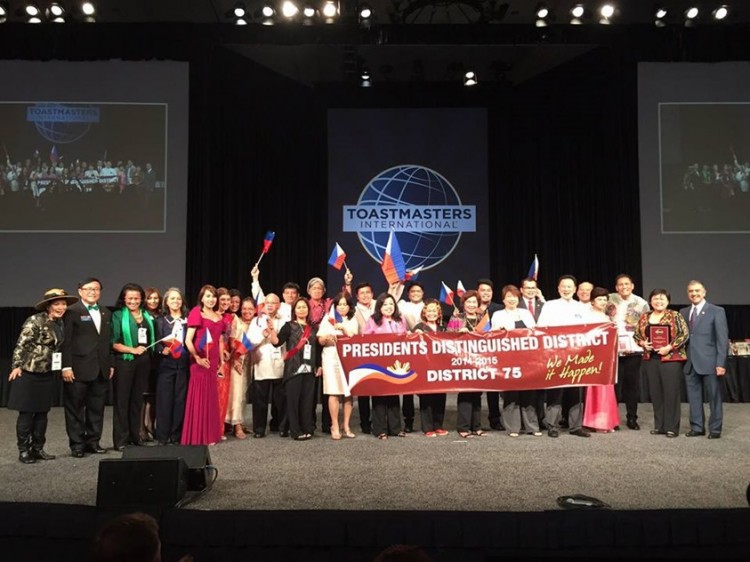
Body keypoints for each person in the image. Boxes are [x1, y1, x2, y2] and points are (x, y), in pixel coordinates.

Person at [9, 288, 78, 463]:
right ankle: (24, 450)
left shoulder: (61, 323)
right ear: (48, 306)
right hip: (29, 372)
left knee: (42, 414)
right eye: (57, 304)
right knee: (27, 413)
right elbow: (22, 344)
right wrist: (17, 366)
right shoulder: (35, 320)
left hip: (47, 373)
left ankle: (38, 448)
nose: (61, 307)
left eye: (63, 304)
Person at [62, 277, 113, 457]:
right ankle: (77, 445)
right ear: (80, 291)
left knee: (96, 408)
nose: (93, 292)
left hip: (101, 369)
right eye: (89, 288)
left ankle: (93, 442)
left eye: (97, 289)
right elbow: (66, 341)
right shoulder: (71, 311)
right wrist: (65, 366)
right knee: (75, 408)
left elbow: (107, 342)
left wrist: (110, 364)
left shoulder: (106, 312)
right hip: (77, 368)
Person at [537, 275, 590, 437]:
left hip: (577, 354)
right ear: (558, 289)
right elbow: (541, 327)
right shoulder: (550, 306)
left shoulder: (583, 307)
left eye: (569, 287)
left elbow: (590, 328)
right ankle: (552, 425)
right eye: (563, 286)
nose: (566, 289)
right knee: (556, 391)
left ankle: (575, 426)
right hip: (556, 354)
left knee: (575, 392)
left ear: (575, 290)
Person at [633, 289, 689, 438]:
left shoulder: (674, 315)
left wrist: (669, 347)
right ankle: (660, 426)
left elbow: (684, 334)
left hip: (671, 359)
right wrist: (643, 343)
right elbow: (636, 334)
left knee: (671, 393)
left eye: (662, 299)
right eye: (655, 299)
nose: (658, 301)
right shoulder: (645, 317)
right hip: (650, 359)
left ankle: (672, 427)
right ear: (650, 301)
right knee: (656, 393)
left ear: (668, 301)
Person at [490, 285, 542, 437]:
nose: (511, 299)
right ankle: (513, 428)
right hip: (508, 360)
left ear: (518, 298)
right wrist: (499, 329)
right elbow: (492, 334)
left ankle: (532, 426)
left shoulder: (526, 313)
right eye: (508, 297)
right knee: (511, 394)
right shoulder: (498, 314)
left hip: (527, 360)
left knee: (529, 393)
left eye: (514, 296)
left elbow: (535, 332)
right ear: (503, 299)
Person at [680, 280, 729, 439]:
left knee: (714, 397)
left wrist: (721, 363)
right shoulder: (683, 312)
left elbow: (722, 339)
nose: (694, 294)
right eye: (691, 291)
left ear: (704, 292)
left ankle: (715, 429)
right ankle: (697, 427)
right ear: (688, 294)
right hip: (690, 362)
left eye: (697, 290)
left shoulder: (716, 311)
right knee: (693, 397)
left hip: (710, 362)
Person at [111, 283, 156, 450]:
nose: (133, 301)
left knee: (137, 401)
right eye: (130, 298)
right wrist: (132, 349)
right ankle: (121, 441)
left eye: (136, 298)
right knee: (122, 401)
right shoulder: (117, 316)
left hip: (143, 363)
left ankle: (134, 436)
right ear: (124, 298)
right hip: (125, 362)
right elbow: (114, 343)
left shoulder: (146, 316)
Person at [182, 285, 226, 446]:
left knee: (210, 397)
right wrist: (197, 358)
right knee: (199, 396)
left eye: (213, 296)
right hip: (199, 361)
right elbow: (188, 340)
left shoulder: (220, 317)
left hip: (213, 361)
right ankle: (197, 436)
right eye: (207, 296)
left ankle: (210, 435)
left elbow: (220, 341)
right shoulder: (196, 312)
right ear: (201, 298)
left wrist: (221, 363)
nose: (211, 299)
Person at [274, 297, 321, 440]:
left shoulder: (313, 328)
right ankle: (295, 431)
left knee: (307, 402)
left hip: (309, 368)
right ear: (294, 310)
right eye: (299, 307)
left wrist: (319, 365)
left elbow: (317, 349)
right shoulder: (288, 326)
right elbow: (277, 342)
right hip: (294, 368)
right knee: (293, 402)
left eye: (304, 307)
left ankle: (307, 428)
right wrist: (270, 333)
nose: (302, 310)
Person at [608, 274, 650, 430]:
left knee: (631, 386)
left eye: (627, 284)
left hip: (634, 348)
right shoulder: (609, 300)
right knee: (614, 386)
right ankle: (613, 418)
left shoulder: (641, 303)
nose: (624, 287)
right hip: (613, 350)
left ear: (632, 285)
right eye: (620, 284)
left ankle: (632, 418)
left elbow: (646, 326)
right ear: (616, 287)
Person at [365, 292, 408, 440]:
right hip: (378, 364)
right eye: (385, 304)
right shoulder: (373, 320)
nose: (388, 307)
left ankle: (395, 429)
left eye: (391, 304)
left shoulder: (400, 319)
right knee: (379, 397)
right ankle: (380, 429)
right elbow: (365, 341)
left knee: (394, 395)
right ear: (379, 307)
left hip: (396, 364)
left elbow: (405, 338)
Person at [318, 292, 359, 440]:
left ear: (349, 306)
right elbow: (320, 340)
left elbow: (356, 339)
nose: (342, 307)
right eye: (339, 304)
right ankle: (334, 425)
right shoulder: (328, 319)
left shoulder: (353, 319)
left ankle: (346, 425)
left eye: (345, 304)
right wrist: (327, 337)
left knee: (348, 393)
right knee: (333, 392)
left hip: (349, 359)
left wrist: (343, 328)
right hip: (331, 358)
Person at [447, 290, 488, 438]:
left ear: (478, 304)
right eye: (468, 302)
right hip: (462, 361)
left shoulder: (482, 318)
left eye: (474, 302)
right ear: (463, 304)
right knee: (465, 393)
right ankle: (463, 427)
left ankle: (476, 426)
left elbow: (490, 337)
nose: (471, 305)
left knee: (477, 394)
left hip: (480, 361)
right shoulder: (457, 317)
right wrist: (458, 332)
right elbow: (446, 337)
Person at [582, 287, 621, 433]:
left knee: (607, 388)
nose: (603, 302)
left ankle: (608, 422)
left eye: (605, 299)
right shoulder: (587, 317)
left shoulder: (607, 317)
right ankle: (596, 423)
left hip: (606, 358)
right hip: (592, 357)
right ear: (592, 301)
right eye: (599, 299)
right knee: (595, 389)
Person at [154, 288, 189, 446]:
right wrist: (162, 350)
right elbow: (155, 343)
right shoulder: (160, 321)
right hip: (165, 365)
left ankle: (176, 435)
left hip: (183, 364)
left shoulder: (188, 321)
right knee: (164, 400)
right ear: (166, 302)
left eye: (178, 299)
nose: (176, 301)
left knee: (180, 400)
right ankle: (162, 435)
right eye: (172, 299)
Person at [248, 293, 286, 437]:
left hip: (280, 362)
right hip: (262, 363)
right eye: (267, 302)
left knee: (280, 399)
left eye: (273, 302)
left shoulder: (284, 320)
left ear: (279, 305)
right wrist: (262, 335)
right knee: (260, 400)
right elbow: (249, 342)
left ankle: (278, 425)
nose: (270, 305)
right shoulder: (256, 321)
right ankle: (259, 429)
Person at [413, 299, 448, 437]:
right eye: (429, 311)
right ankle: (427, 428)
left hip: (441, 368)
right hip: (425, 368)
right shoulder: (419, 327)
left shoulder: (444, 328)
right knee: (426, 398)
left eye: (435, 311)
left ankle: (438, 425)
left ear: (439, 313)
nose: (432, 313)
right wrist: (415, 334)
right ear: (424, 313)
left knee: (440, 396)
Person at [226, 297, 257, 439]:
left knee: (244, 394)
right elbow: (232, 342)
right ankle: (236, 425)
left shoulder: (257, 324)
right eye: (244, 309)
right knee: (237, 393)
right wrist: (236, 359)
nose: (247, 311)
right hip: (237, 361)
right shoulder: (236, 321)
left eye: (250, 309)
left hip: (251, 362)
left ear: (255, 310)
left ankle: (240, 421)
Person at [476, 278, 503, 431]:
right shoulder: (470, 307)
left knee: (493, 390)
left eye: (488, 290)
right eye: (482, 290)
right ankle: (475, 422)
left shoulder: (499, 308)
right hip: (474, 355)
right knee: (476, 390)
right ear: (477, 292)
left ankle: (495, 419)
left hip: (494, 353)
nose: (485, 293)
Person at [141, 287, 162, 442]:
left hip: (159, 359)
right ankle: (141, 428)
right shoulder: (140, 316)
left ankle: (151, 426)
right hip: (144, 357)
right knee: (144, 395)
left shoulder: (162, 315)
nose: (153, 301)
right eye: (150, 298)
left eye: (156, 298)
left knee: (153, 396)